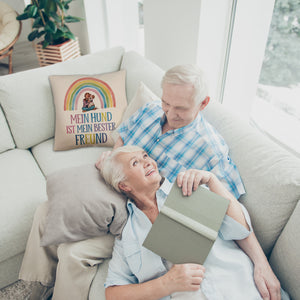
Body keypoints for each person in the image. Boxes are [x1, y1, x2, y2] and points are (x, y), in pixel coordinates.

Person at [19, 64, 280, 299]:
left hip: (143, 211)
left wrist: (261, 263)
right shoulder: (151, 110)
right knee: (48, 208)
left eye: (180, 108)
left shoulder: (211, 150)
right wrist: (113, 159)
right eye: (167, 102)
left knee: (74, 253)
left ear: (203, 104)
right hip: (120, 185)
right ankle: (37, 284)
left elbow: (229, 211)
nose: (169, 112)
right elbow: (123, 139)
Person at [100, 145, 287, 300]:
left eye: (145, 156)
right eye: (135, 163)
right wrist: (166, 283)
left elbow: (240, 229)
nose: (148, 161)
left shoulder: (189, 188)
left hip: (244, 290)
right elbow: (113, 293)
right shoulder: (127, 236)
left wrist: (212, 180)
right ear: (124, 185)